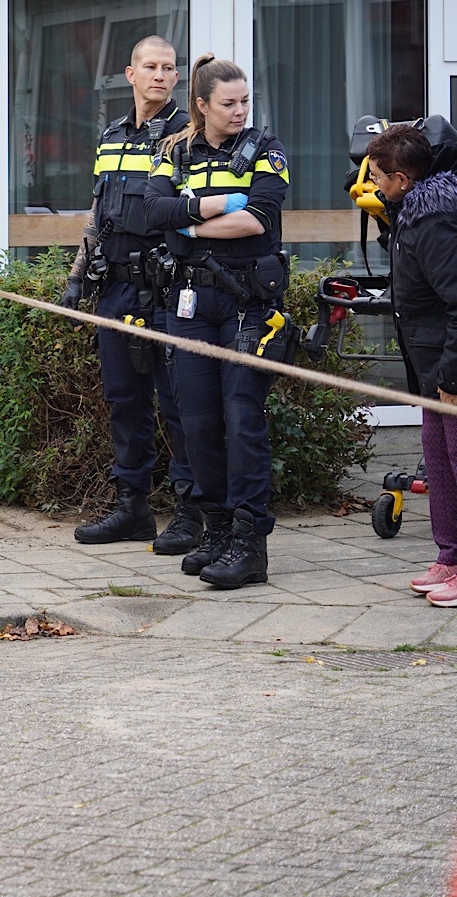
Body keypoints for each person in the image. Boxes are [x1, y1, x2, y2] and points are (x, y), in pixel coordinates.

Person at [144, 55, 290, 589]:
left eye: (245, 101)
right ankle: (218, 530)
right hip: (190, 302)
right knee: (197, 420)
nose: (240, 111)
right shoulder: (174, 151)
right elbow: (152, 212)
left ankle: (250, 546)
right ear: (202, 105)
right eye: (228, 103)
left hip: (247, 304)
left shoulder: (266, 149)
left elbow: (259, 219)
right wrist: (224, 203)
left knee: (242, 418)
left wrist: (188, 225)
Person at [62, 37, 198, 551]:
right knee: (124, 402)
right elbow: (97, 214)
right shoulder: (112, 136)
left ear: (176, 78)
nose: (160, 75)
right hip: (116, 288)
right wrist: (76, 280)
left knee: (180, 404)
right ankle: (132, 509)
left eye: (168, 68)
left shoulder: (187, 136)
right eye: (151, 67)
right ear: (130, 74)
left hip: (167, 289)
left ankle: (191, 513)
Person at [365, 124, 457, 605]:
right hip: (429, 365)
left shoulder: (435, 221)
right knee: (438, 463)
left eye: (378, 178)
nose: (373, 185)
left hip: (449, 367)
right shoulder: (409, 213)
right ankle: (449, 557)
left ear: (401, 179)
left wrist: (452, 376)